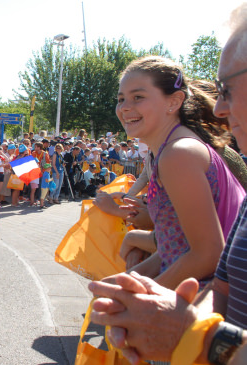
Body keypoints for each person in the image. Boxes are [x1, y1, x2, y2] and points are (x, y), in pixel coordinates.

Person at [89, 10, 247, 363]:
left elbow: (208, 253)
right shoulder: (168, 152)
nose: (125, 108)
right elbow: (179, 242)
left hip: (205, 312)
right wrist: (134, 278)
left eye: (138, 97)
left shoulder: (178, 153)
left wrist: (147, 295)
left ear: (174, 102)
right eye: (121, 98)